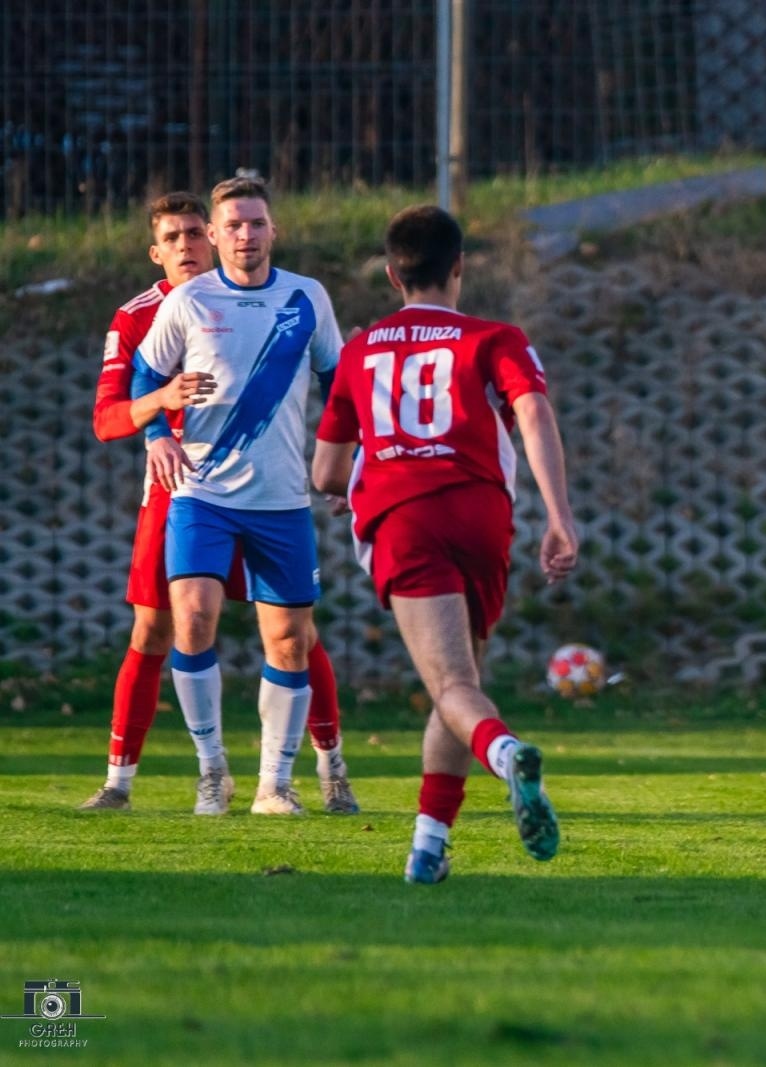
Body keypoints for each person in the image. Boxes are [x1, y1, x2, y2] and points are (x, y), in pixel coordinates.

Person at [312, 204, 580, 884]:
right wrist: (559, 516)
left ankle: (507, 752)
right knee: (460, 689)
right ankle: (428, 848)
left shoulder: (361, 349)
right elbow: (533, 411)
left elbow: (326, 470)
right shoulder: (497, 338)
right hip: (482, 513)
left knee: (455, 687)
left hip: (406, 517)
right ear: (458, 266)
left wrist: (344, 483)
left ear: (391, 274)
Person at [80, 191, 359, 815]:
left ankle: (318, 768)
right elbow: (112, 412)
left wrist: (349, 462)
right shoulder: (150, 313)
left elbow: (335, 379)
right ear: (159, 251)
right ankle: (133, 778)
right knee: (167, 623)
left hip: (276, 492)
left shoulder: (303, 297)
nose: (187, 246)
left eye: (193, 236)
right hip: (187, 491)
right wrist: (157, 421)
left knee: (295, 635)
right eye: (173, 238)